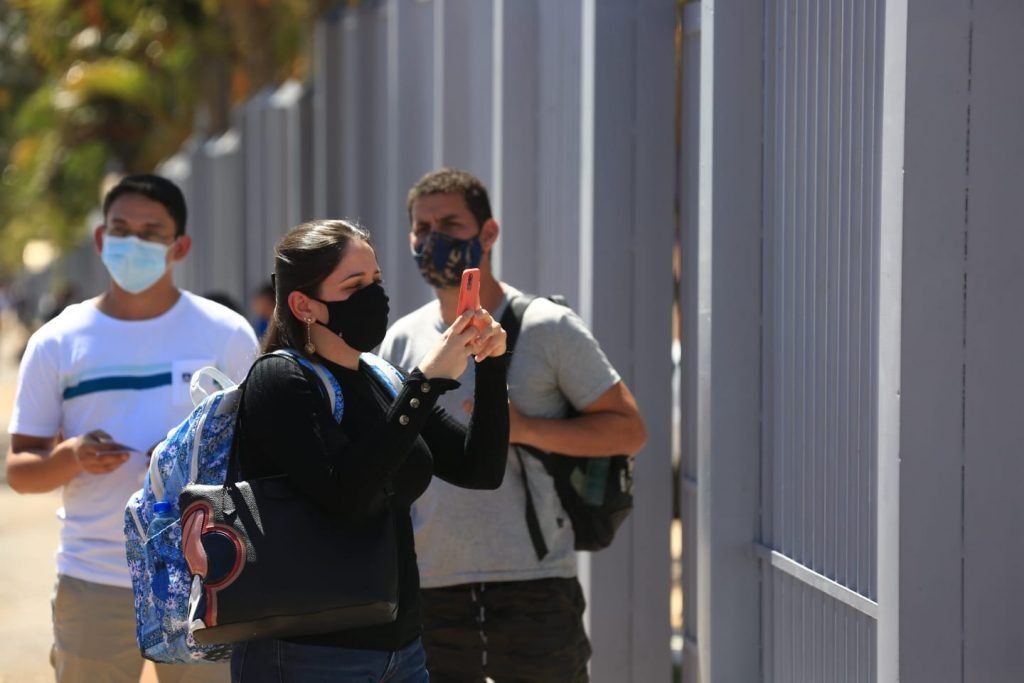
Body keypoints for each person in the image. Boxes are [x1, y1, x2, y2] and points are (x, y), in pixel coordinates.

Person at [380, 168, 647, 682]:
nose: (433, 239)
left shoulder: (547, 326)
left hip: (535, 585)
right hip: (432, 587)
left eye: (451, 223)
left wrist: (522, 429)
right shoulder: (401, 340)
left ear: (489, 234)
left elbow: (629, 429)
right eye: (421, 227)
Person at [230, 219, 510, 682]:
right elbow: (348, 496)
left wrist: (493, 364)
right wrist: (424, 385)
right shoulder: (280, 381)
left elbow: (479, 468)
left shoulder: (383, 378)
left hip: (401, 650)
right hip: (308, 654)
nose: (373, 295)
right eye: (354, 284)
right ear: (303, 305)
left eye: (376, 281)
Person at [6, 174, 260, 683]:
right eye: (122, 230)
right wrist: (71, 457)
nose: (134, 243)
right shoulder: (57, 341)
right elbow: (20, 469)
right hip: (94, 579)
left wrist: (186, 464)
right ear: (102, 240)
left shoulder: (225, 333)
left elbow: (261, 452)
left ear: (179, 245)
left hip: (206, 579)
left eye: (151, 232)